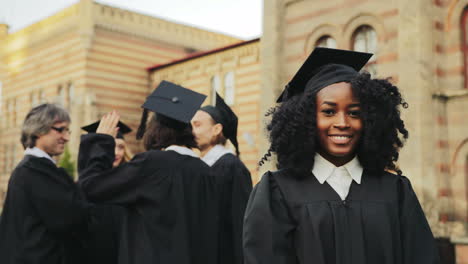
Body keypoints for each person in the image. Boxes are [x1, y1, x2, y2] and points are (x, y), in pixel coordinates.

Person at [243, 48, 440, 264]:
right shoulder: (277, 191)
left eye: (354, 113)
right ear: (306, 118)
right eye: (329, 111)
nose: (343, 123)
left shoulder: (396, 191)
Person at [77, 81, 218, 264]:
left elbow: (91, 187)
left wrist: (101, 142)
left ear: (154, 130)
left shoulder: (152, 164)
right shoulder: (205, 172)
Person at [0, 103, 91, 264]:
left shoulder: (29, 169)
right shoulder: (35, 171)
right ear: (38, 130)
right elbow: (70, 219)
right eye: (60, 129)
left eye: (67, 130)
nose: (67, 137)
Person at [191, 93, 252, 264]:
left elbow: (241, 221)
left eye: (197, 125)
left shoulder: (232, 167)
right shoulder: (197, 166)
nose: (191, 131)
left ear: (216, 129)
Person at [80, 120, 134, 264]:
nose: (116, 152)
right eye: (111, 146)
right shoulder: (84, 185)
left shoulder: (132, 182)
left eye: (121, 147)